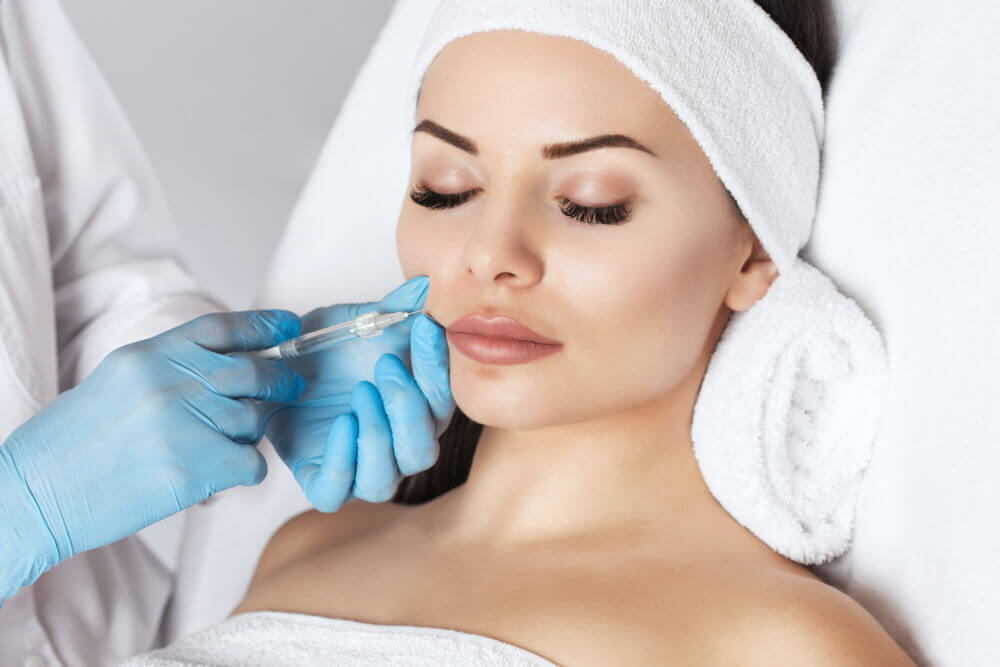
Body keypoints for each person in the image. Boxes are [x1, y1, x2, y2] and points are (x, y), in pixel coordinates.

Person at [127, 1, 916, 665]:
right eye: (446, 189)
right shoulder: (305, 548)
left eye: (591, 202)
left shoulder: (783, 646)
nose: (491, 256)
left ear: (751, 247)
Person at [0, 1, 450, 664]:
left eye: (590, 209)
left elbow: (85, 268)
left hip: (114, 637)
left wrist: (243, 385)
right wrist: (21, 512)